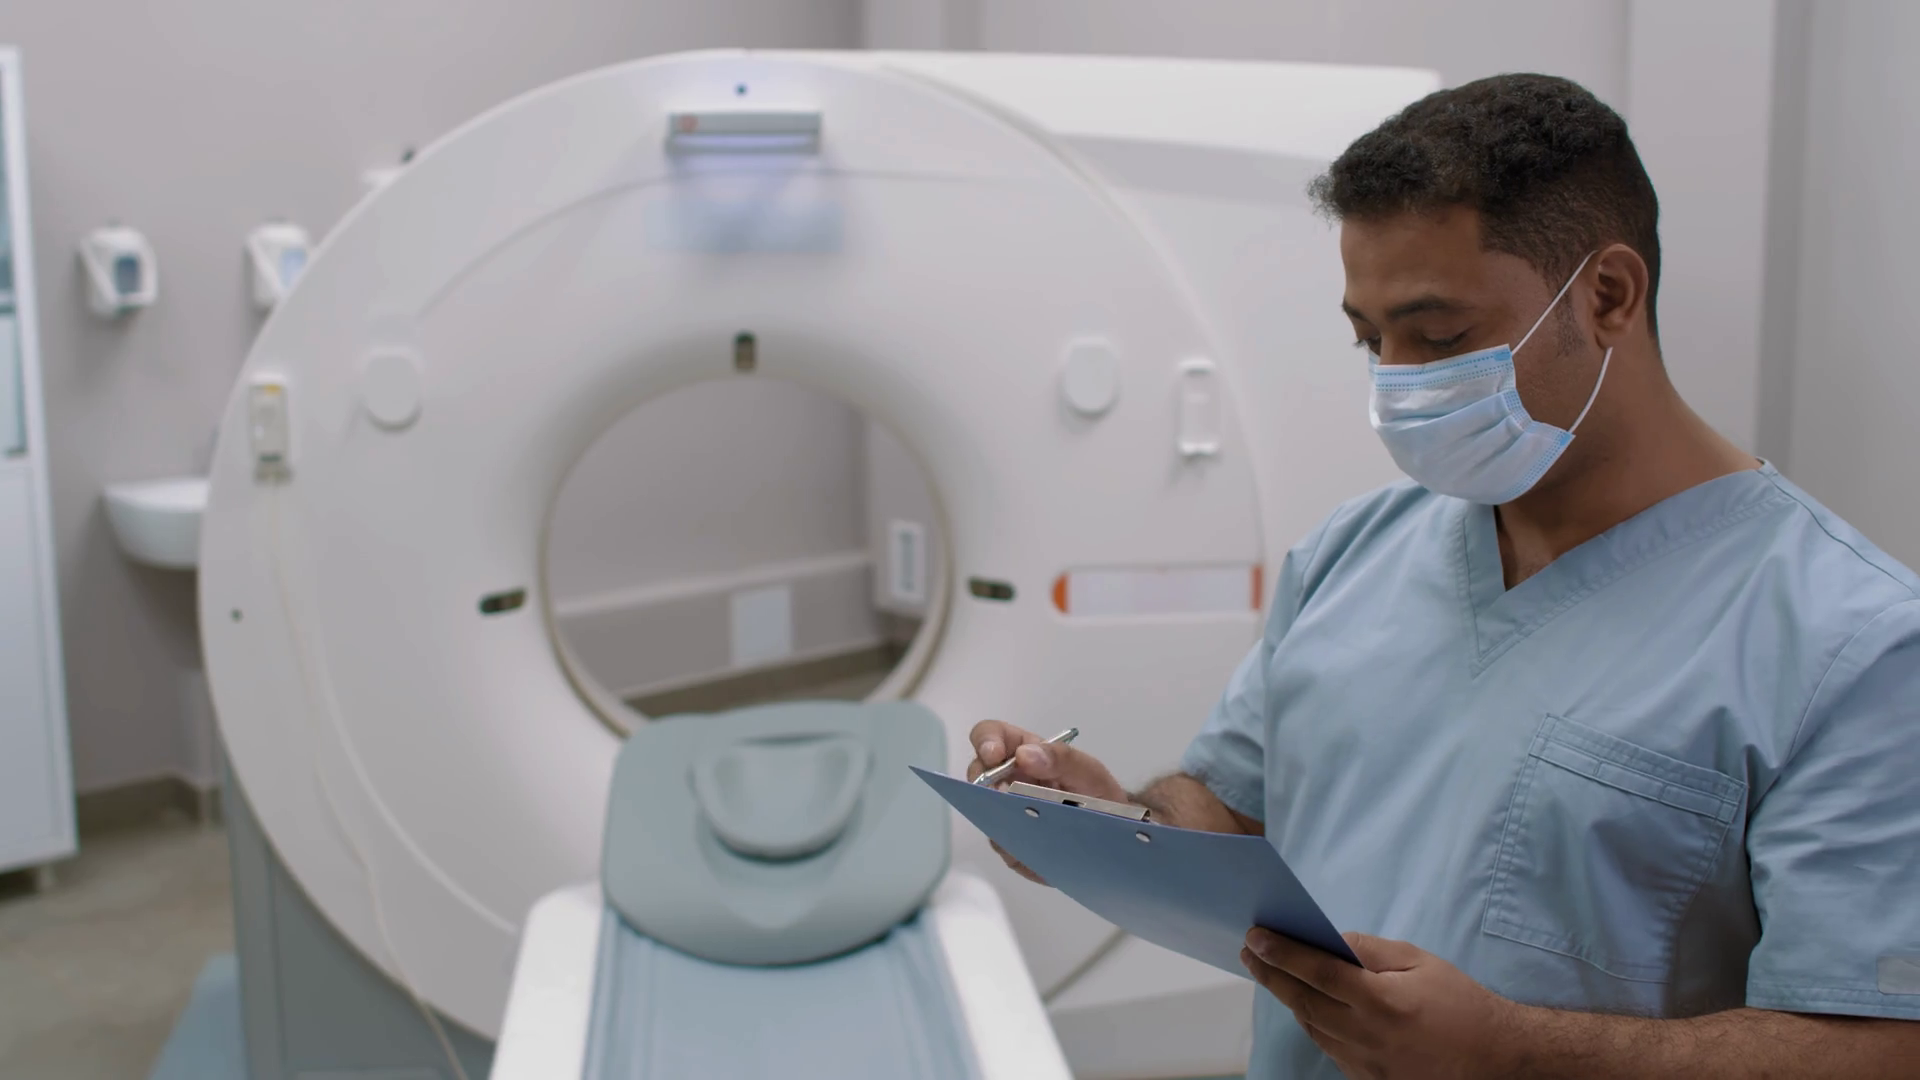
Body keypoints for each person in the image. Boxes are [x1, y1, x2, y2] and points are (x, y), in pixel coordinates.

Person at [970, 73, 1920, 1079]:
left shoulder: (1853, 648)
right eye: (1370, 340)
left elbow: (1882, 1045)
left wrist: (1512, 1052)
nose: (1400, 383)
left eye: (1442, 337)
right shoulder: (1352, 554)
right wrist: (1110, 826)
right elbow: (1233, 810)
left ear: (1607, 295)